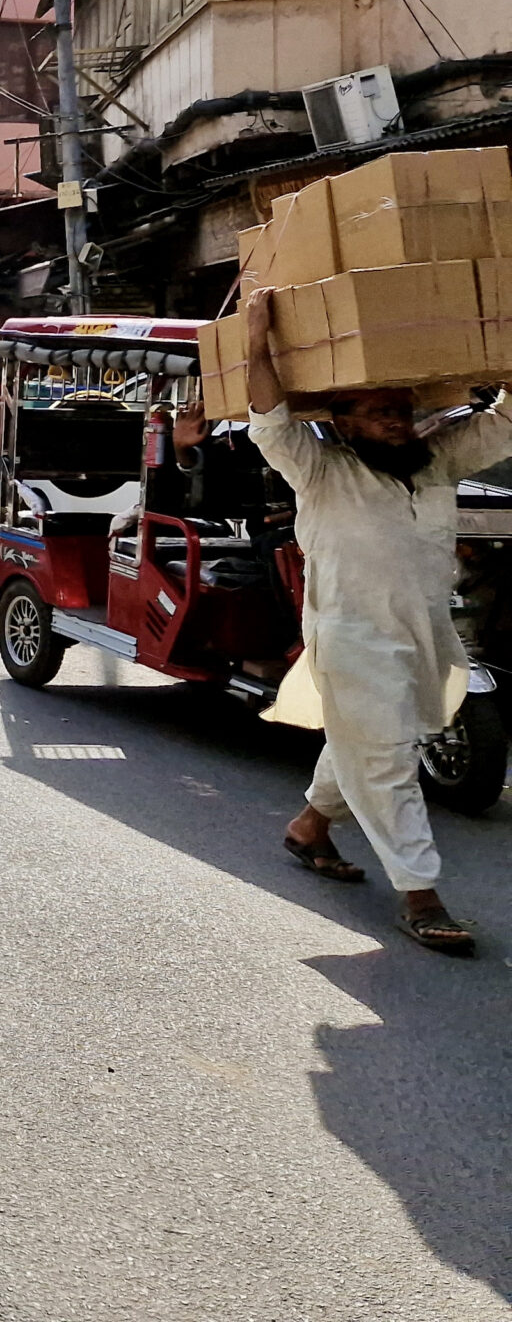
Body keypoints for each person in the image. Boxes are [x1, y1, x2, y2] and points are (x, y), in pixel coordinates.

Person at [243, 285, 512, 957]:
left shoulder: (436, 461)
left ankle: (308, 828)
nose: (398, 421)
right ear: (343, 422)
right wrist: (256, 341)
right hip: (353, 639)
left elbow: (504, 422)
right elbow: (271, 419)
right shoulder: (321, 470)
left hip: (426, 634)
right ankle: (420, 895)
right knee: (388, 760)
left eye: (403, 410)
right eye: (381, 412)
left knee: (369, 742)